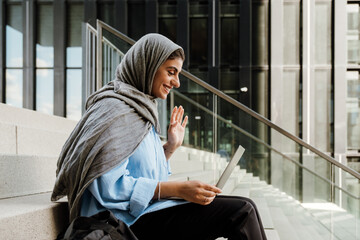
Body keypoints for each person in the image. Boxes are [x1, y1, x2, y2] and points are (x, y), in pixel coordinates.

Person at [52, 33, 267, 240]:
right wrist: (179, 189)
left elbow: (138, 170)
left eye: (178, 74)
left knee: (245, 208)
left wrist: (170, 148)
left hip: (142, 214)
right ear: (148, 66)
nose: (177, 82)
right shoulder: (115, 110)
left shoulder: (139, 110)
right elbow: (107, 186)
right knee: (242, 212)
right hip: (121, 223)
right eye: (171, 72)